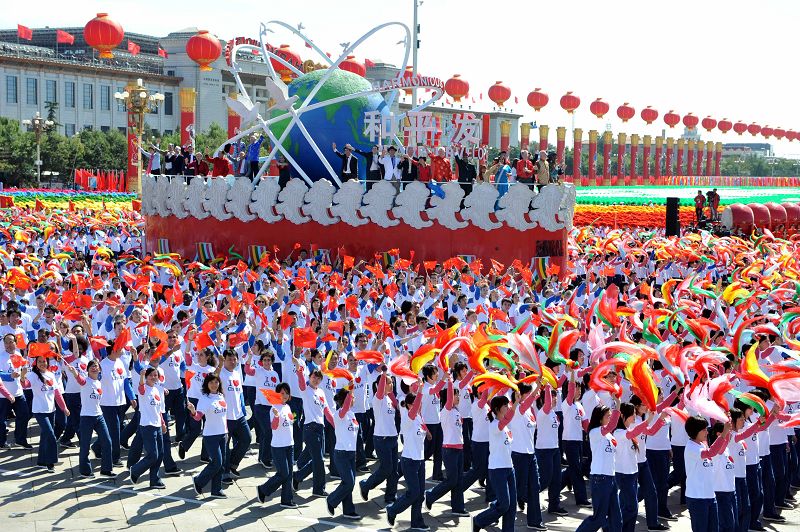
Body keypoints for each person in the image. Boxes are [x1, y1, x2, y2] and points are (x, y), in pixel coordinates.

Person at [424, 372, 469, 517]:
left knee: (458, 480)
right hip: (449, 450)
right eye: (456, 395)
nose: (458, 397)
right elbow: (449, 397)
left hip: (459, 448)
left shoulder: (456, 411)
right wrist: (449, 382)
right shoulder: (447, 410)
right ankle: (431, 496)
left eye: (458, 395)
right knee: (451, 480)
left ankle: (458, 508)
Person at [386, 382, 429, 531]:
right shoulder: (408, 417)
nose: (420, 406)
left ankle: (417, 522)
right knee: (414, 492)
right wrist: (421, 391)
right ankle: (392, 510)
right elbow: (415, 407)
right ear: (410, 405)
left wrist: (428, 433)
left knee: (420, 494)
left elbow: (424, 430)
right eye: (417, 404)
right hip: (409, 460)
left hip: (420, 460)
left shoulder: (418, 417)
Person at [473, 394, 518, 532]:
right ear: (498, 409)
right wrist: (516, 402)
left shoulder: (504, 426)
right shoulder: (493, 425)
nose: (508, 407)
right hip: (497, 469)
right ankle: (479, 520)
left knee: (511, 505)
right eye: (505, 405)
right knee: (504, 504)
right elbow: (507, 419)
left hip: (509, 468)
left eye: (508, 404)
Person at [575, 401, 622, 532]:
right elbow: (612, 424)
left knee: (616, 518)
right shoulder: (595, 432)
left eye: (610, 415)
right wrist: (618, 405)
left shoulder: (608, 435)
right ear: (600, 418)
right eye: (608, 415)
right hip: (600, 478)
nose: (610, 417)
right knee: (599, 518)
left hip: (611, 478)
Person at [64, 360, 113, 478]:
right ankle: (85, 471)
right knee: (85, 445)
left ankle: (106, 470)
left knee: (107, 441)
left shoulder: (99, 383)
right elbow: (79, 379)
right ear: (87, 369)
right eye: (91, 366)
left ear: (100, 369)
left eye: (96, 366)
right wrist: (74, 372)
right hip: (86, 417)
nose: (94, 368)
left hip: (99, 416)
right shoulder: (86, 381)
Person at [684, 415, 731, 532]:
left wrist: (727, 431)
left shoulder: (702, 444)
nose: (707, 432)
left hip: (710, 496)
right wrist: (724, 433)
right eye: (704, 429)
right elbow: (711, 453)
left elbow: (718, 451)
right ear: (695, 431)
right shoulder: (691, 447)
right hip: (697, 498)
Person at [359, 366, 399, 505]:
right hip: (381, 439)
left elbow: (397, 404)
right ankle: (366, 485)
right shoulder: (378, 399)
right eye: (388, 382)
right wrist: (383, 374)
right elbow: (381, 389)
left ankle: (390, 497)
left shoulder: (389, 399)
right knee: (386, 468)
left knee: (394, 471)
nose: (391, 384)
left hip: (393, 437)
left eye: (392, 382)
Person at [256, 383, 298, 509]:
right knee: (283, 473)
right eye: (281, 393)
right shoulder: (274, 408)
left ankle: (286, 500)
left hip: (289, 445)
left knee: (289, 474)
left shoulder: (288, 407)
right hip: (278, 446)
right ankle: (263, 490)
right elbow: (273, 426)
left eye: (286, 393)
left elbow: (290, 421)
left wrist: (293, 418)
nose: (284, 395)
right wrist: (276, 416)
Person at [25, 354, 70, 472]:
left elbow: (57, 393)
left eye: (44, 361)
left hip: (51, 410)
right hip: (39, 411)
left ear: (47, 362)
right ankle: (51, 462)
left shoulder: (50, 374)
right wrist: (21, 375)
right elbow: (25, 385)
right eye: (39, 361)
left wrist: (64, 408)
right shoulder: (33, 375)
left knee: (45, 436)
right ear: (36, 363)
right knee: (50, 434)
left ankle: (41, 461)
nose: (42, 363)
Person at [189, 371, 228, 499]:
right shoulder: (204, 399)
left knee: (221, 464)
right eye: (211, 382)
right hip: (211, 436)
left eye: (216, 382)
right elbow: (198, 417)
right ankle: (199, 481)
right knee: (216, 462)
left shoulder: (221, 396)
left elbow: (223, 416)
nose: (214, 384)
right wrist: (194, 412)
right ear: (207, 384)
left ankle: (216, 490)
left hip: (223, 434)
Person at [293, 363, 331, 497]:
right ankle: (318, 489)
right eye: (314, 377)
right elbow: (302, 383)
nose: (316, 380)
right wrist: (299, 370)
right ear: (310, 377)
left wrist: (336, 426)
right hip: (310, 428)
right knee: (319, 460)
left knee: (317, 460)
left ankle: (297, 477)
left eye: (318, 378)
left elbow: (327, 411)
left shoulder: (321, 392)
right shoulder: (306, 390)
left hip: (321, 428)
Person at [325, 387, 362, 520]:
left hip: (351, 453)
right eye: (351, 397)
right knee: (349, 482)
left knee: (348, 483)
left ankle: (348, 510)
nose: (353, 399)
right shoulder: (339, 414)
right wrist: (350, 391)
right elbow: (345, 407)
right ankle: (331, 500)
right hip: (341, 453)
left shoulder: (352, 414)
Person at [128, 367, 166, 489]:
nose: (154, 377)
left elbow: (159, 410)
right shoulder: (143, 389)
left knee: (160, 454)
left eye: (156, 375)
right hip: (147, 425)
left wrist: (163, 423)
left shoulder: (156, 389)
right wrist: (141, 377)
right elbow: (141, 387)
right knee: (152, 455)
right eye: (151, 375)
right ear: (146, 377)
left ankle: (154, 479)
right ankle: (135, 470)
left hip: (157, 425)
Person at [218, 349, 251, 483]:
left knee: (246, 439)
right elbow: (212, 378)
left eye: (234, 359)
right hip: (225, 416)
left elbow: (240, 394)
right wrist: (219, 365)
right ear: (224, 360)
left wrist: (242, 410)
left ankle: (232, 464)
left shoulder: (237, 373)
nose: (232, 361)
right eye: (229, 359)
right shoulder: (220, 373)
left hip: (238, 415)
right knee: (225, 445)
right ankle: (224, 472)